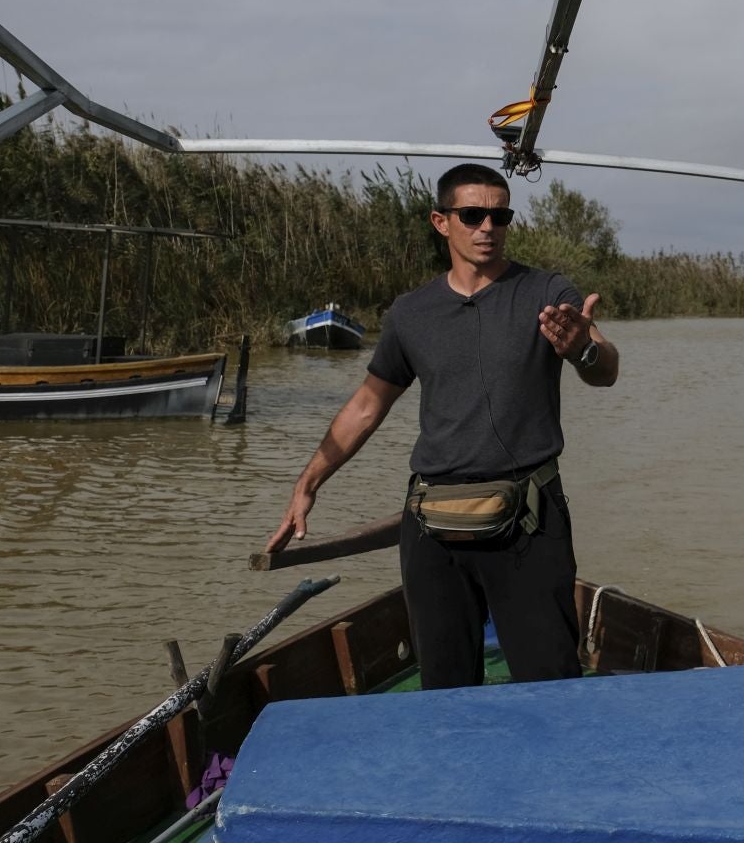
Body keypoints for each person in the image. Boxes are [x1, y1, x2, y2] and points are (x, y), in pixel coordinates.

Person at [264, 162, 618, 688]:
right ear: (440, 221)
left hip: (529, 520)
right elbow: (366, 406)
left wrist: (584, 348)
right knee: (445, 689)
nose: (487, 228)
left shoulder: (547, 292)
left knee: (550, 684)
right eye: (472, 215)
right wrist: (307, 483)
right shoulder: (411, 314)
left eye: (500, 216)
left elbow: (605, 370)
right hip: (433, 526)